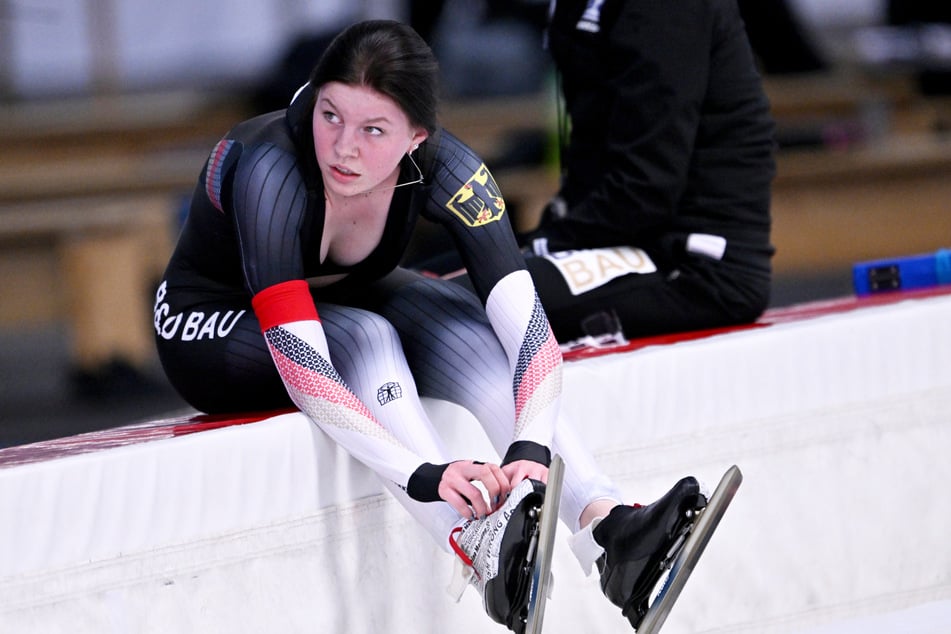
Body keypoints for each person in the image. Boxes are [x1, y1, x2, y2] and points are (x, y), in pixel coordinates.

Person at [153, 20, 706, 630]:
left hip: (339, 302)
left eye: (373, 131)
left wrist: (530, 447)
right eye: (330, 115)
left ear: (417, 138)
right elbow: (304, 365)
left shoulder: (452, 169)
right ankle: (475, 545)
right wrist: (426, 476)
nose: (342, 149)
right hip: (208, 321)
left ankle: (610, 532)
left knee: (469, 323)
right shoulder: (273, 170)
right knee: (368, 337)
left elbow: (531, 336)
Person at [517, 0, 777, 346]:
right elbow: (593, 151)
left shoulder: (667, 10)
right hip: (624, 243)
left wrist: (543, 243)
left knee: (467, 298)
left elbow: (647, 188)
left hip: (699, 269)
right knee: (433, 277)